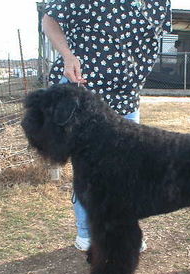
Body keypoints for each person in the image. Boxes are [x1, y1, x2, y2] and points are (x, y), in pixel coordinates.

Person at [42, 0, 172, 251]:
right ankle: (87, 231)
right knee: (89, 169)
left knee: (129, 168)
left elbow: (150, 42)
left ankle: (125, 231)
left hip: (126, 94)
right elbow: (49, 20)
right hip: (82, 88)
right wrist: (67, 56)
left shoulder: (159, 3)